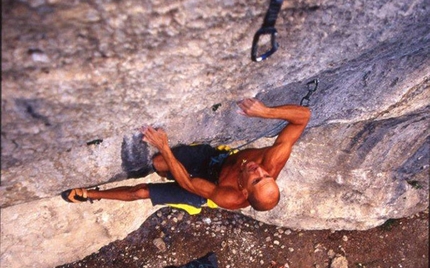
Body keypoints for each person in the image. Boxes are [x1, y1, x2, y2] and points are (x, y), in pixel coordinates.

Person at [62, 98, 310, 212]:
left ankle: (92, 194)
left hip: (205, 187)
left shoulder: (228, 197)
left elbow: (189, 184)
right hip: (218, 161)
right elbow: (303, 118)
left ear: (244, 191)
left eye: (257, 179)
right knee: (159, 163)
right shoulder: (272, 161)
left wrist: (165, 146)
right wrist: (265, 112)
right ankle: (165, 169)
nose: (259, 170)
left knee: (141, 191)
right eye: (267, 176)